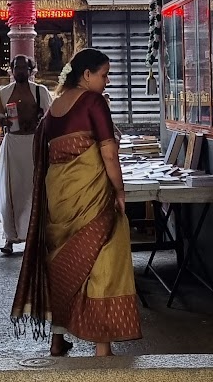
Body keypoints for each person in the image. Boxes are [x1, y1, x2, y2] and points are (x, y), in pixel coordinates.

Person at [11, 47, 141, 358]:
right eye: (104, 75)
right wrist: (120, 191)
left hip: (59, 194)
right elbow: (108, 152)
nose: (107, 81)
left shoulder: (54, 107)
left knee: (61, 262)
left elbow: (40, 153)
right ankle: (102, 344)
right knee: (103, 260)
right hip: (91, 195)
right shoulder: (93, 102)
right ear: (86, 75)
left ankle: (58, 341)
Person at [0, 56, 52, 256]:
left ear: (31, 70)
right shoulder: (3, 94)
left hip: (34, 143)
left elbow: (52, 116)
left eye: (24, 67)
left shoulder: (41, 92)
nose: (21, 71)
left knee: (35, 190)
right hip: (13, 145)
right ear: (12, 71)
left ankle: (38, 237)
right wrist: (4, 122)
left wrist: (41, 119)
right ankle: (10, 237)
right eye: (17, 67)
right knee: (11, 191)